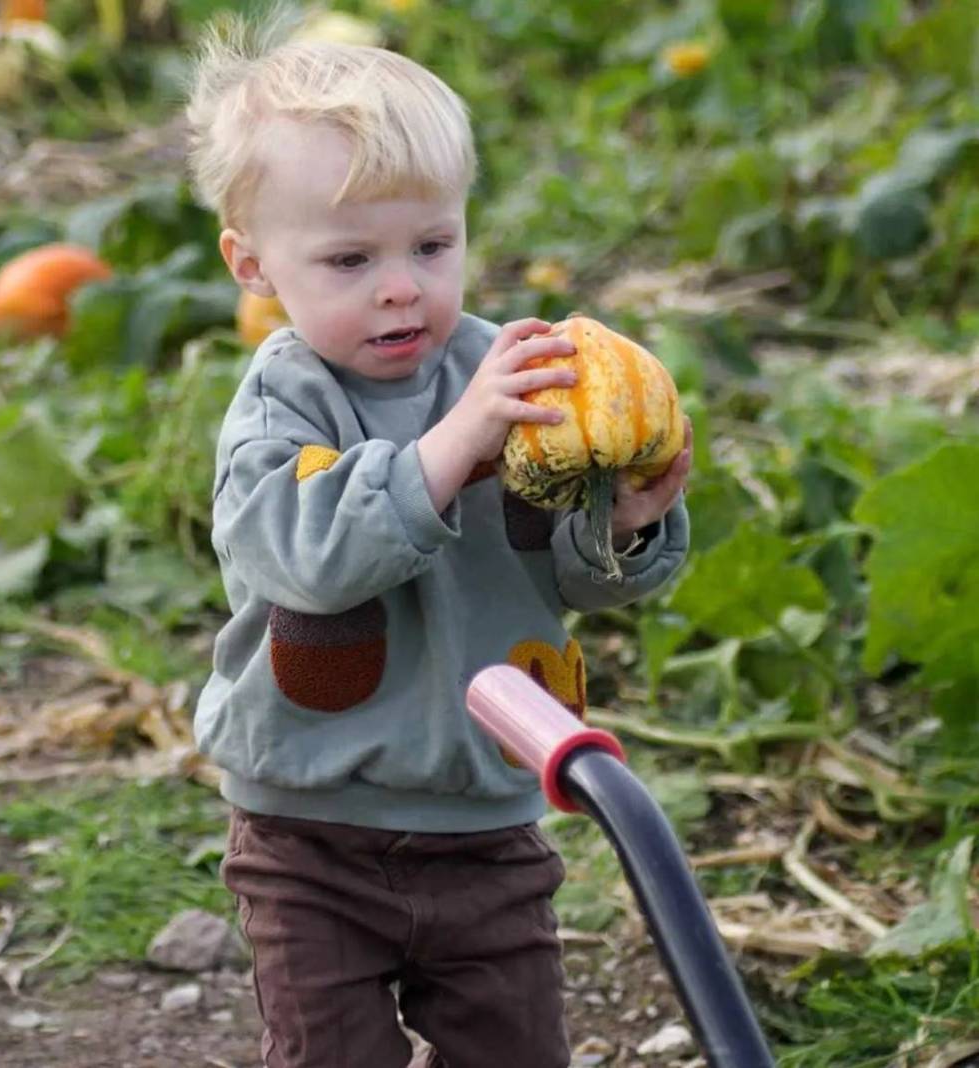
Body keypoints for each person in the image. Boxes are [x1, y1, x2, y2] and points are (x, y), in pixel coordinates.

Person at [185, 11, 692, 1068]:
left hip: (488, 813)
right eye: (350, 258)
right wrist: (456, 444)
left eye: (431, 244)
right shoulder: (284, 401)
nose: (401, 284)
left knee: (515, 1049)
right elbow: (307, 556)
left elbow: (567, 578)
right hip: (310, 821)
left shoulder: (509, 376)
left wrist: (626, 524)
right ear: (255, 265)